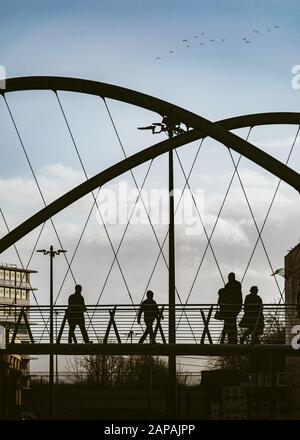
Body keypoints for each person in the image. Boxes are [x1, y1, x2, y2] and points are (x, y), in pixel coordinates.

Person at [223, 272, 243, 344]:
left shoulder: (230, 285)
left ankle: (231, 339)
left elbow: (227, 295)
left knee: (229, 324)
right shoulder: (236, 284)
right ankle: (232, 339)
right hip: (234, 307)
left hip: (231, 307)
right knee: (231, 323)